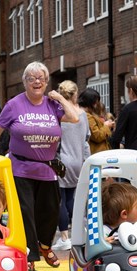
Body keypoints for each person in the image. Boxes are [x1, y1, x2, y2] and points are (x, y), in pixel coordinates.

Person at [0, 61, 79, 271]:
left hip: (47, 169)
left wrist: (60, 98)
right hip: (20, 168)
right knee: (24, 212)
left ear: (47, 82)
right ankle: (28, 253)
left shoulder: (52, 104)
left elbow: (74, 118)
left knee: (50, 212)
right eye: (32, 78)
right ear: (25, 83)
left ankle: (45, 245)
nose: (37, 82)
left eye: (41, 78)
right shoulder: (14, 105)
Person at [51, 80, 90, 251]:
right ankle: (82, 231)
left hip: (62, 160)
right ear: (75, 94)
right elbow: (86, 141)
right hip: (78, 160)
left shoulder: (60, 116)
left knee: (60, 200)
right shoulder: (82, 115)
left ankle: (64, 237)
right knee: (71, 199)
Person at [78, 88, 113, 154]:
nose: (96, 105)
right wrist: (106, 126)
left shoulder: (85, 114)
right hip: (97, 153)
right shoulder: (87, 116)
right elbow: (97, 136)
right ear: (90, 102)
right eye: (95, 103)